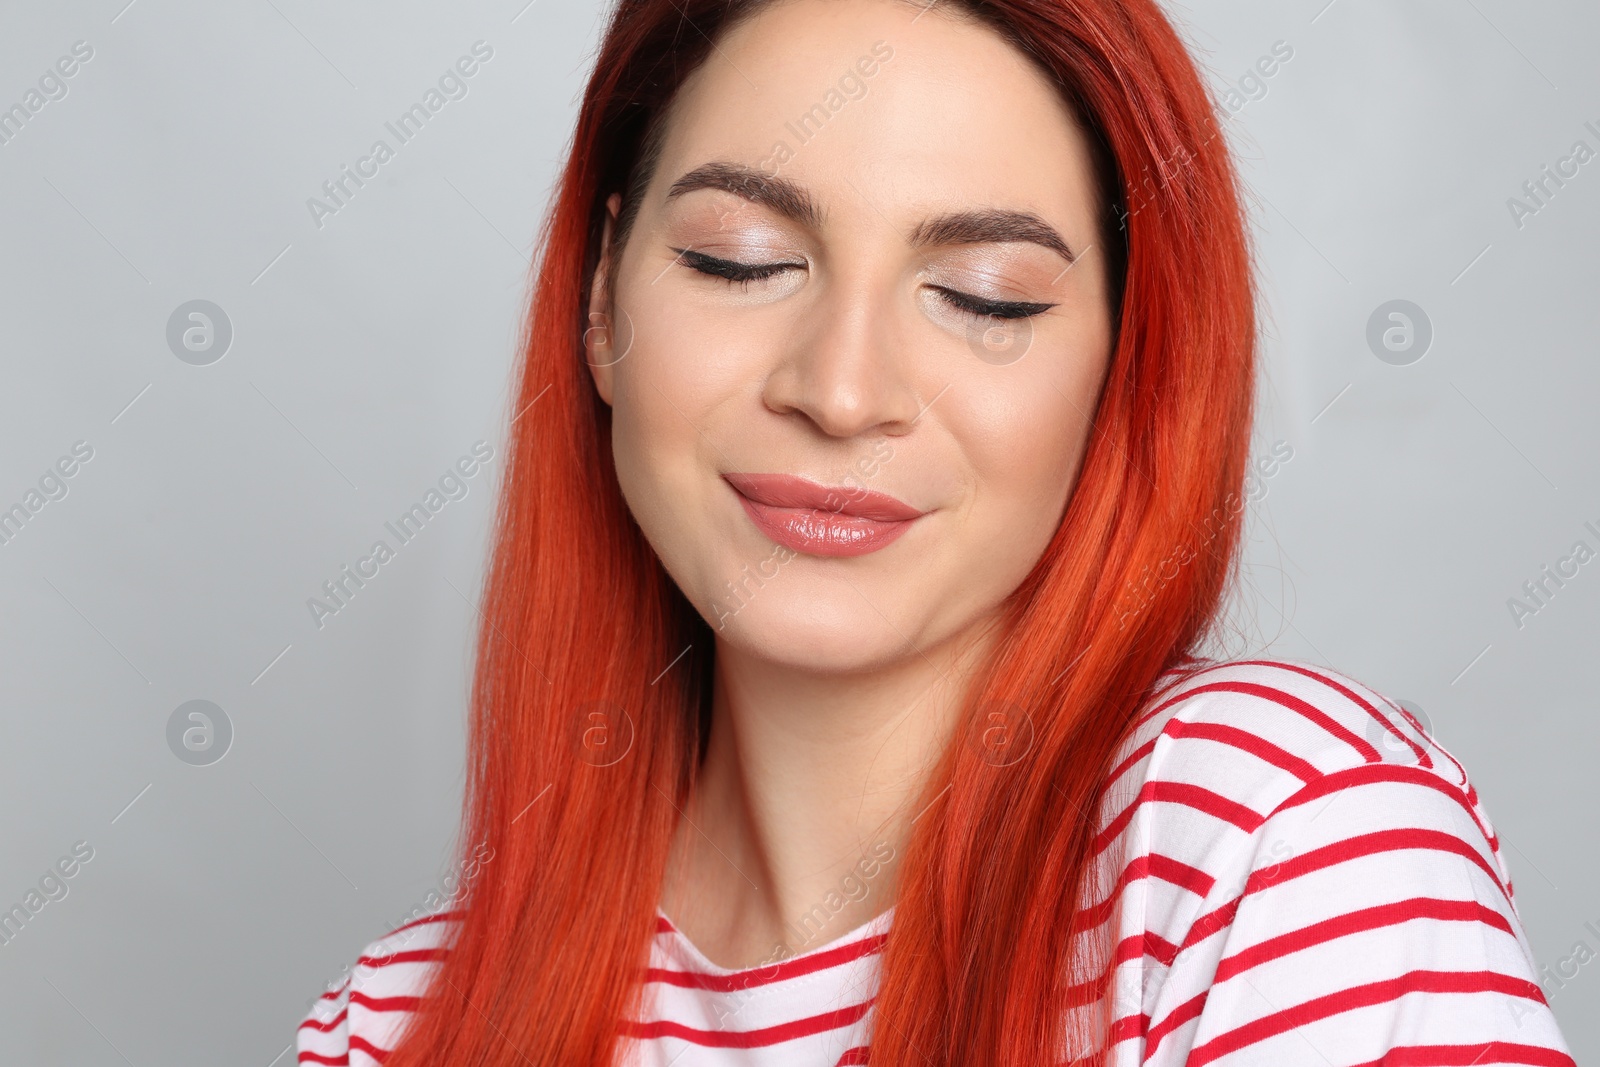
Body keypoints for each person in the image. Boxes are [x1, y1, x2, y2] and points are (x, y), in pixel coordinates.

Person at [296, 0, 1577, 1063]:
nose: (842, 391)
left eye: (982, 296)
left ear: (1118, 369)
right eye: (739, 260)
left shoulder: (1274, 842)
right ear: (599, 301)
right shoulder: (394, 1022)